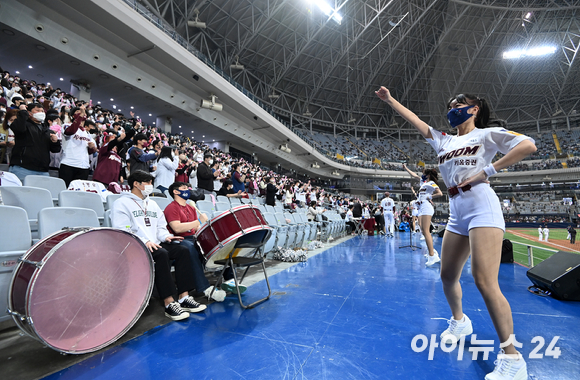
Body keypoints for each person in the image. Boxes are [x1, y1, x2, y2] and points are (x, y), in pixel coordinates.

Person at [377, 86, 536, 380]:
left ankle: (513, 358)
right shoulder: (444, 140)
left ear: (475, 109)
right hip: (456, 209)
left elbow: (528, 145)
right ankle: (459, 321)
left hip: (481, 204)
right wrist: (390, 101)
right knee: (448, 275)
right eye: (451, 105)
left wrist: (489, 170)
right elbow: (416, 121)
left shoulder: (487, 134)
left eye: (460, 104)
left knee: (484, 281)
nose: (454, 108)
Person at [111, 170, 206, 321]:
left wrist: (166, 236)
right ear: (136, 184)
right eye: (147, 183)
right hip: (136, 244)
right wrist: (144, 240)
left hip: (156, 242)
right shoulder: (121, 203)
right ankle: (169, 303)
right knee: (162, 254)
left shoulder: (152, 204)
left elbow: (160, 227)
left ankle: (184, 297)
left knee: (182, 250)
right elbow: (123, 229)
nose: (150, 186)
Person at [163, 181, 230, 301]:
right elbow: (177, 228)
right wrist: (198, 221)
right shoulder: (171, 208)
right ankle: (204, 288)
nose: (187, 190)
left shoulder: (191, 207)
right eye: (184, 188)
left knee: (220, 244)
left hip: (192, 237)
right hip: (178, 239)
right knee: (190, 247)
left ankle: (230, 280)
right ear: (175, 191)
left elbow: (196, 228)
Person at [9, 103, 61, 181]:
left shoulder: (47, 130)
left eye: (42, 111)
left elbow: (55, 149)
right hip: (23, 168)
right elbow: (18, 128)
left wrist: (55, 142)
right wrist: (23, 111)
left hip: (43, 171)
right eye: (37, 110)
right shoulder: (24, 125)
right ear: (29, 113)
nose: (41, 113)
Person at [408, 167, 443, 266]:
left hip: (427, 207)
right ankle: (432, 252)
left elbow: (440, 193)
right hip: (421, 207)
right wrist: (406, 168)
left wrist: (430, 197)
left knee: (426, 231)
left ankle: (432, 256)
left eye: (423, 173)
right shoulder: (423, 184)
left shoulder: (431, 183)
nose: (422, 175)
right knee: (423, 231)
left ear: (427, 175)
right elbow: (414, 176)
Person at [58, 105, 97, 187]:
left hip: (84, 166)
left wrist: (92, 148)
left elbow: (90, 152)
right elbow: (70, 132)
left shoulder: (88, 134)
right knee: (65, 190)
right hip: (69, 164)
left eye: (83, 112)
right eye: (78, 112)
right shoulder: (66, 125)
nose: (81, 113)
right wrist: (80, 116)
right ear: (73, 116)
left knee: (78, 193)